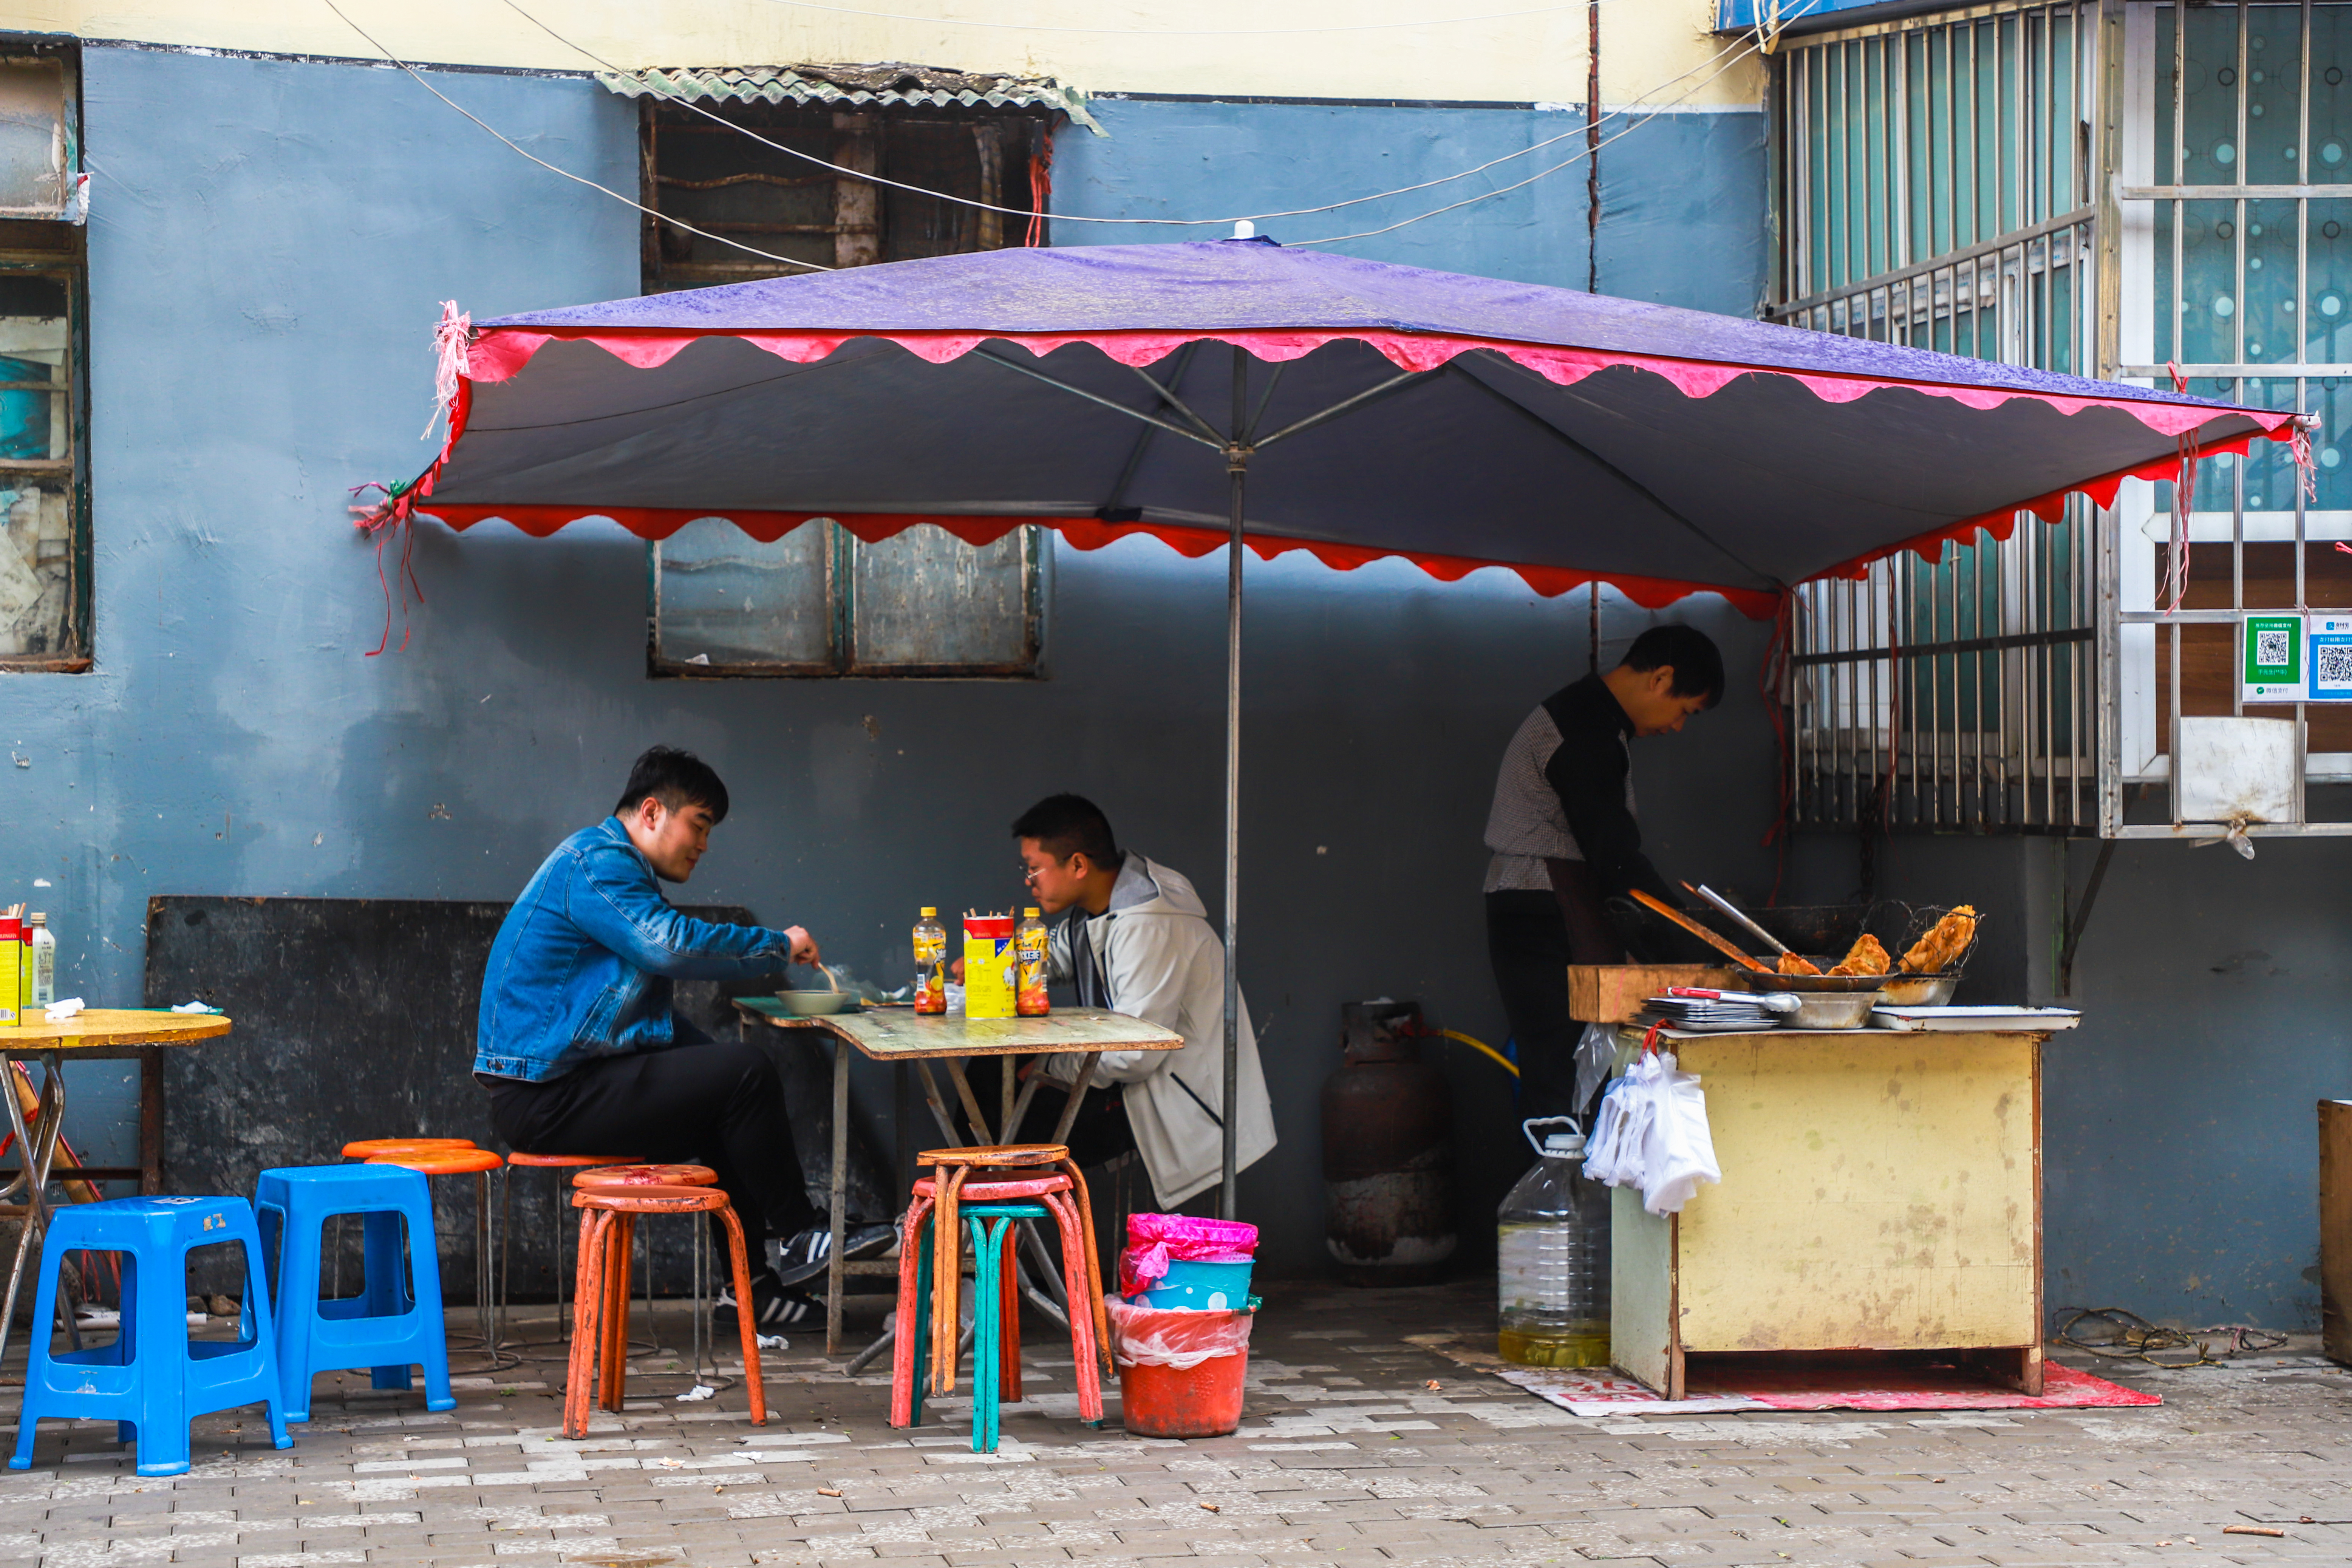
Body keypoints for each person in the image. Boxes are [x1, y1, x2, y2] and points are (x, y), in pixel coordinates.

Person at [475, 745, 890, 1331]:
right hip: (544, 1094)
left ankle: (749, 1289)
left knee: (729, 1092)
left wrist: (716, 1066)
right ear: (651, 812)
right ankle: (800, 1235)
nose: (704, 844)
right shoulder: (597, 864)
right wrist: (775, 944)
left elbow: (653, 1027)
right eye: (698, 824)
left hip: (569, 1081)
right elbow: (669, 945)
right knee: (744, 1072)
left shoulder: (616, 869)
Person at [967, 794, 1276, 1211]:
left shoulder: (1147, 925)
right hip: (1136, 1087)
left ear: (1078, 864)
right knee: (991, 1077)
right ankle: (978, 1243)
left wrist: (1047, 1067)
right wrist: (991, 958)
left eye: (1034, 868)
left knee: (1003, 1124)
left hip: (1172, 1104)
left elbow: (1134, 1053)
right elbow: (1059, 954)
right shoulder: (1099, 910)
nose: (1028, 880)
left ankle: (973, 1240)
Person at [1482, 623, 1725, 1127]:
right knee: (1563, 1084)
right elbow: (1615, 857)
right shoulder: (1585, 730)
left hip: (1536, 901)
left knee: (1565, 1079)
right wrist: (1693, 942)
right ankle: (1564, 1199)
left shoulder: (1588, 716)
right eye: (1685, 711)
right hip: (1542, 907)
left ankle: (1571, 1193)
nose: (1678, 726)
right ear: (1660, 678)